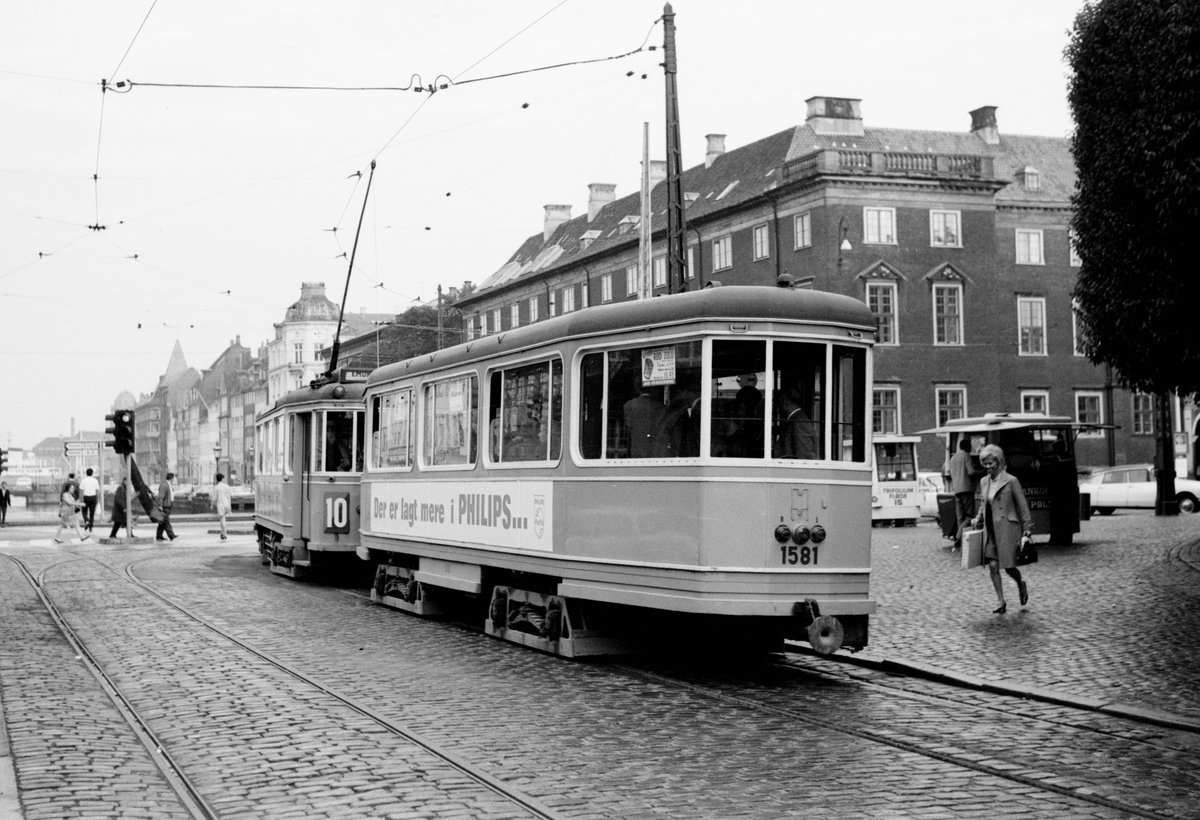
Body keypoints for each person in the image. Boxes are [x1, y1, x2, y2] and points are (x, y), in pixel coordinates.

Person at [970, 444, 1033, 614]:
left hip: (1007, 529)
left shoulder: (1011, 481)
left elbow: (1022, 505)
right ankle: (1000, 601)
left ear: (999, 462)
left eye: (991, 463)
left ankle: (1020, 584)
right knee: (992, 565)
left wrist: (1027, 528)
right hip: (990, 529)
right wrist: (978, 517)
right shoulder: (984, 481)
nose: (988, 467)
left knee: (1009, 567)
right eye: (985, 463)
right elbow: (984, 504)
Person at [948, 438, 984, 547]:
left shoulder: (953, 458)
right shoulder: (966, 456)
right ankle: (959, 537)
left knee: (960, 517)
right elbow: (971, 472)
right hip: (967, 489)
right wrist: (983, 471)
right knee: (969, 516)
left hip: (956, 489)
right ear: (968, 447)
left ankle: (961, 540)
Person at [774, 383, 818, 459]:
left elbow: (805, 456)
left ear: (784, 402)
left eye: (778, 403)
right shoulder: (797, 420)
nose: (778, 407)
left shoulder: (798, 423)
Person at [156, 471, 177, 542]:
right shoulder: (164, 485)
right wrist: (160, 505)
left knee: (162, 522)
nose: (174, 480)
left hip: (168, 505)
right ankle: (171, 535)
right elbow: (161, 496)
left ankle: (159, 536)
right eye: (174, 478)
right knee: (166, 521)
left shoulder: (168, 485)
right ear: (172, 478)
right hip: (165, 506)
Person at [213, 472, 232, 541]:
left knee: (222, 519)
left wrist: (212, 504)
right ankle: (222, 533)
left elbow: (215, 498)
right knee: (224, 519)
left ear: (217, 479)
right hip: (227, 503)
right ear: (222, 479)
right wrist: (229, 504)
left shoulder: (216, 487)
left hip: (220, 504)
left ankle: (224, 534)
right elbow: (229, 496)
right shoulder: (227, 486)